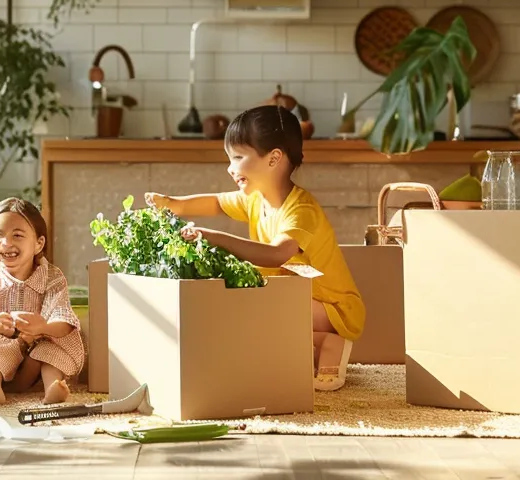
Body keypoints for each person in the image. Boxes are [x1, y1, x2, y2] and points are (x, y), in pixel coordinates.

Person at [143, 105, 365, 391]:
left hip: (332, 308)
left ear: (273, 159)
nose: (230, 168)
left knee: (255, 313)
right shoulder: (255, 199)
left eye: (237, 157)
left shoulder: (301, 210)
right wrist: (173, 203)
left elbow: (277, 254)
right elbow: (214, 202)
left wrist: (214, 237)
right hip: (293, 298)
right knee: (249, 312)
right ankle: (306, 346)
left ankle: (329, 342)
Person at [0, 198, 84, 406]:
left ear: (38, 244)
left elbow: (64, 320)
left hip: (37, 357)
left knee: (56, 344)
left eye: (17, 235)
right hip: (2, 350)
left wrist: (43, 327)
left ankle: (53, 386)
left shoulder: (53, 276)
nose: (6, 243)